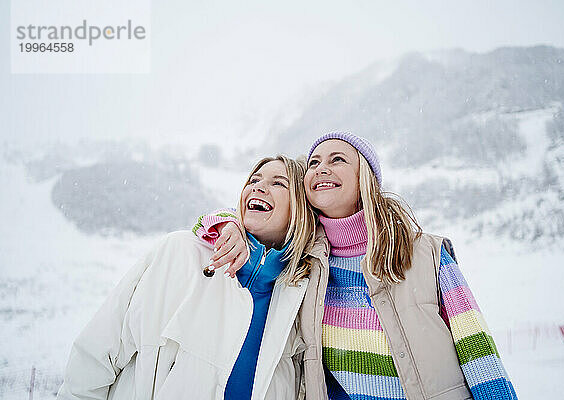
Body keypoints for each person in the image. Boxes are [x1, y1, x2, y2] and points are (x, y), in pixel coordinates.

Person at [200, 132, 518, 400]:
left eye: (337, 159)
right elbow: (244, 221)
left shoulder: (425, 253)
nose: (322, 168)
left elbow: (478, 351)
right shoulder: (305, 266)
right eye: (314, 163)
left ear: (363, 177)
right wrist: (229, 223)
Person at [58, 155, 317, 400]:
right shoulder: (181, 253)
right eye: (254, 180)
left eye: (278, 183)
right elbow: (97, 354)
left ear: (300, 209)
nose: (258, 188)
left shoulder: (297, 298)